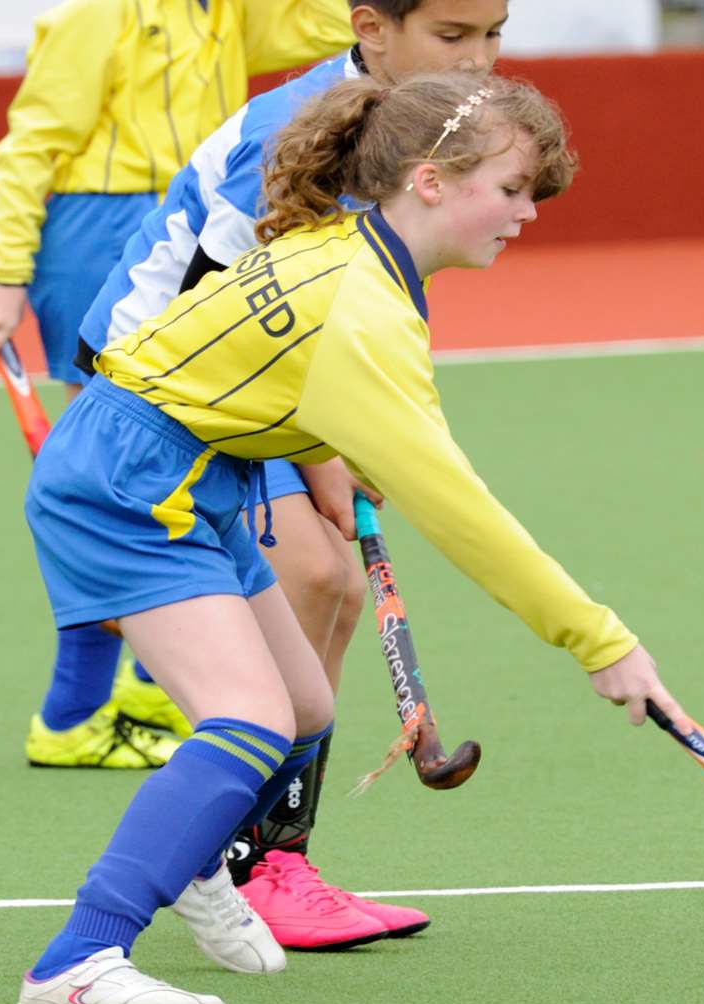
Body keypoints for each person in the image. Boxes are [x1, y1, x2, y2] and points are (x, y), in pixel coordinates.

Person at [17, 70, 690, 1004]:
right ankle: (76, 962)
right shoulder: (365, 308)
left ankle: (199, 860)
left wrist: (316, 446)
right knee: (245, 721)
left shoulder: (348, 249)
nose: (527, 215)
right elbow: (460, 508)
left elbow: (233, 355)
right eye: (509, 191)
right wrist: (599, 640)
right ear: (429, 180)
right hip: (128, 488)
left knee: (302, 707)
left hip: (194, 472)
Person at [77, 0, 510, 952]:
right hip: (161, 375)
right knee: (319, 575)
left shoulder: (423, 123)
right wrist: (323, 450)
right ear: (371, 26)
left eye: (495, 35)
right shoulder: (301, 129)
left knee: (336, 586)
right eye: (453, 37)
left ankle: (268, 857)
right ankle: (251, 861)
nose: (479, 61)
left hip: (255, 382)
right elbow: (232, 307)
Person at [0, 0, 353, 772]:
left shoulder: (227, 11)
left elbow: (343, 29)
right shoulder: (95, 15)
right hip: (102, 232)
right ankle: (71, 715)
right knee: (121, 488)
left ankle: (148, 699)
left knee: (192, 485)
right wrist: (4, 272)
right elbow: (31, 147)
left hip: (200, 215)